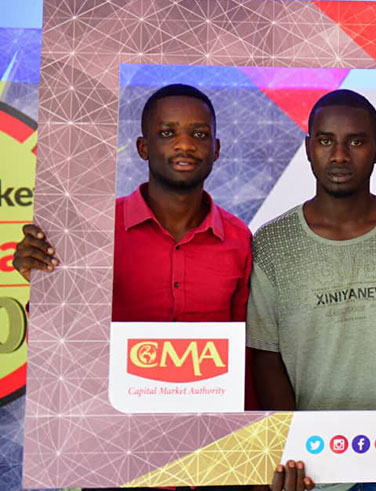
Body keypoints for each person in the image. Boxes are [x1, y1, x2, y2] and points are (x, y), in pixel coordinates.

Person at [13, 83, 257, 490]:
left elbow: (246, 351)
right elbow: (60, 339)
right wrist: (38, 278)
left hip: (210, 458)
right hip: (112, 453)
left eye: (199, 134)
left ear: (216, 149)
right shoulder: (90, 232)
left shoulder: (238, 239)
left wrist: (253, 452)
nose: (184, 144)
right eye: (167, 132)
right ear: (143, 148)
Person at [246, 89, 376, 491]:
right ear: (308, 148)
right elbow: (267, 360)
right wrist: (288, 453)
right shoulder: (271, 243)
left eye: (355, 142)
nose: (339, 155)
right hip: (310, 467)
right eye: (326, 141)